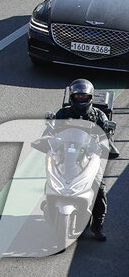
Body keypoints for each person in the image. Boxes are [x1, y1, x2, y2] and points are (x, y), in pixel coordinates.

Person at [49, 79, 113, 241]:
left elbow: (107, 137)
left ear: (90, 97)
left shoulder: (99, 115)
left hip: (89, 158)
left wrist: (105, 141)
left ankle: (97, 227)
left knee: (99, 189)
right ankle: (49, 208)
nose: (80, 99)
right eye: (77, 96)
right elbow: (51, 132)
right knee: (50, 179)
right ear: (72, 97)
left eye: (84, 96)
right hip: (65, 156)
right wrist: (48, 138)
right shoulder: (63, 114)